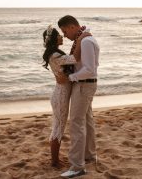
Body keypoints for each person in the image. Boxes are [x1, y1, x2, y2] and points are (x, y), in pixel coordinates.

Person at [57, 15, 100, 178]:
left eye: (65, 31)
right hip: (86, 85)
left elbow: (89, 69)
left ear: (73, 27)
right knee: (87, 121)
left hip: (84, 84)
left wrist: (69, 78)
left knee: (76, 123)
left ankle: (77, 167)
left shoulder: (86, 41)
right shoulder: (83, 39)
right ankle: (89, 155)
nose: (65, 35)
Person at [42, 25, 90, 168]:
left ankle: (55, 159)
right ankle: (55, 161)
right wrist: (81, 38)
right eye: (59, 34)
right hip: (61, 95)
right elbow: (75, 58)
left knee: (58, 127)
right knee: (58, 128)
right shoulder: (55, 55)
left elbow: (70, 60)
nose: (62, 36)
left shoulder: (56, 54)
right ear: (54, 39)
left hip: (60, 93)